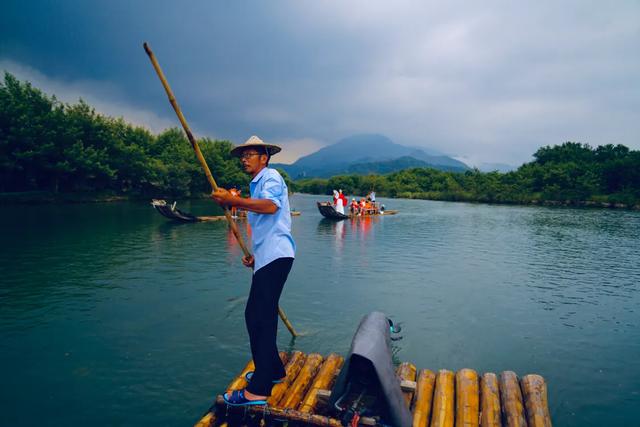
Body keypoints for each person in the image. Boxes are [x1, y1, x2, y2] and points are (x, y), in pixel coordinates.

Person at [211, 135, 296, 406]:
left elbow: (271, 207)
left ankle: (258, 389)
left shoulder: (271, 176)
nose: (245, 159)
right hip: (268, 256)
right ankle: (274, 371)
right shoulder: (256, 182)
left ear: (264, 157)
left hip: (277, 255)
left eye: (250, 154)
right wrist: (256, 257)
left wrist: (233, 201)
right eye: (243, 155)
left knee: (259, 317)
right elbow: (266, 223)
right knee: (260, 314)